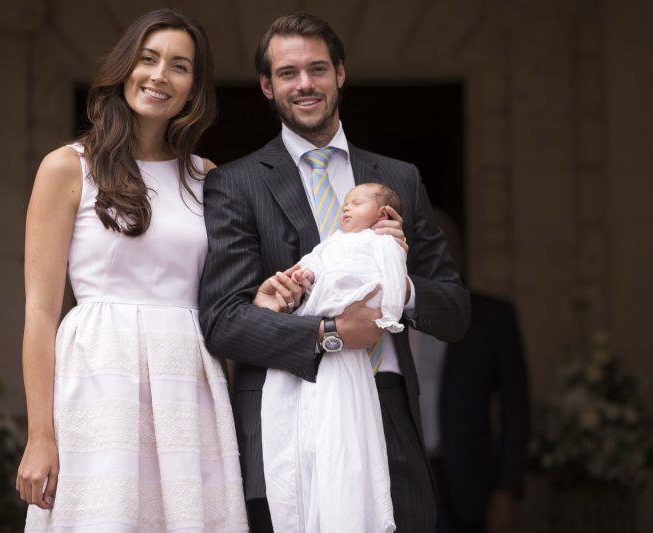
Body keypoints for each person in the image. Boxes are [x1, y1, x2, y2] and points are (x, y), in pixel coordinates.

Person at [198, 12, 470, 533]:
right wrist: (332, 332)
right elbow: (222, 320)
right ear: (267, 85)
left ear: (340, 73)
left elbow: (456, 312)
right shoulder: (234, 183)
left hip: (386, 405)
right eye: (288, 73)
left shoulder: (398, 179)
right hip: (287, 405)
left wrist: (398, 288)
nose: (305, 84)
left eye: (318, 69)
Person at [16, 9, 248, 532]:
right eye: (148, 59)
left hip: (188, 386)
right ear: (125, 68)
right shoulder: (68, 166)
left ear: (193, 88)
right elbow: (41, 311)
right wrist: (40, 434)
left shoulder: (207, 177)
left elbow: (226, 297)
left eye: (179, 66)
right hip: (99, 382)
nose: (160, 75)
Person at [260, 183, 406, 533]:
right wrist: (302, 274)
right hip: (309, 331)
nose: (346, 208)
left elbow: (394, 278)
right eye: (345, 203)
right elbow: (311, 262)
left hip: (354, 345)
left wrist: (387, 315)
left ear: (383, 213)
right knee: (303, 444)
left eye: (357, 203)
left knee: (345, 444)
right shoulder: (332, 242)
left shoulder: (385, 243)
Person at [410, 211, 529, 533]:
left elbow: (515, 410)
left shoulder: (493, 317)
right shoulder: (382, 318)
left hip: (467, 482)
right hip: (401, 479)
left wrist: (508, 490)